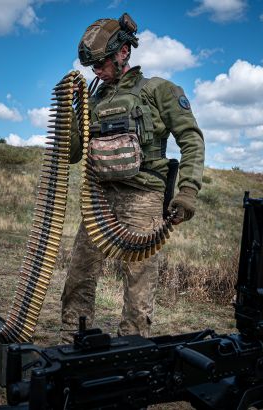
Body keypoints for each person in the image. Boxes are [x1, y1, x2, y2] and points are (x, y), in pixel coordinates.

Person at [61, 13, 205, 341]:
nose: (96, 71)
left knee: (139, 284)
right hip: (99, 199)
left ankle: (131, 350)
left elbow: (191, 139)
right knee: (79, 275)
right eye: (92, 66)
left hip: (144, 197)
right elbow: (71, 156)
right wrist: (75, 113)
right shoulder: (93, 99)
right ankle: (72, 343)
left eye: (101, 63)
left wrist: (188, 189)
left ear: (123, 52)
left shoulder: (159, 90)